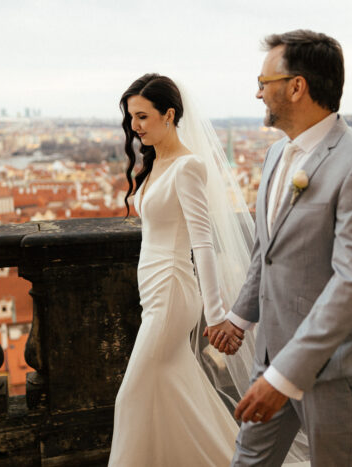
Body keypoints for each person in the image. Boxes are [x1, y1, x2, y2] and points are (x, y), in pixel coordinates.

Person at [212, 30, 352, 466]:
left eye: (264, 82)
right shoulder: (277, 156)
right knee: (249, 461)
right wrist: (239, 316)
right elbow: (266, 252)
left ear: (296, 86)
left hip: (330, 366)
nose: (257, 93)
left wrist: (286, 374)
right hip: (270, 350)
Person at [108, 73, 252, 467]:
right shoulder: (157, 162)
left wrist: (218, 313)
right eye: (131, 117)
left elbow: (203, 243)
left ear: (169, 114)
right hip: (155, 290)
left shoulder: (187, 166)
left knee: (131, 394)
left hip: (172, 290)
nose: (134, 127)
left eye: (142, 116)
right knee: (174, 387)